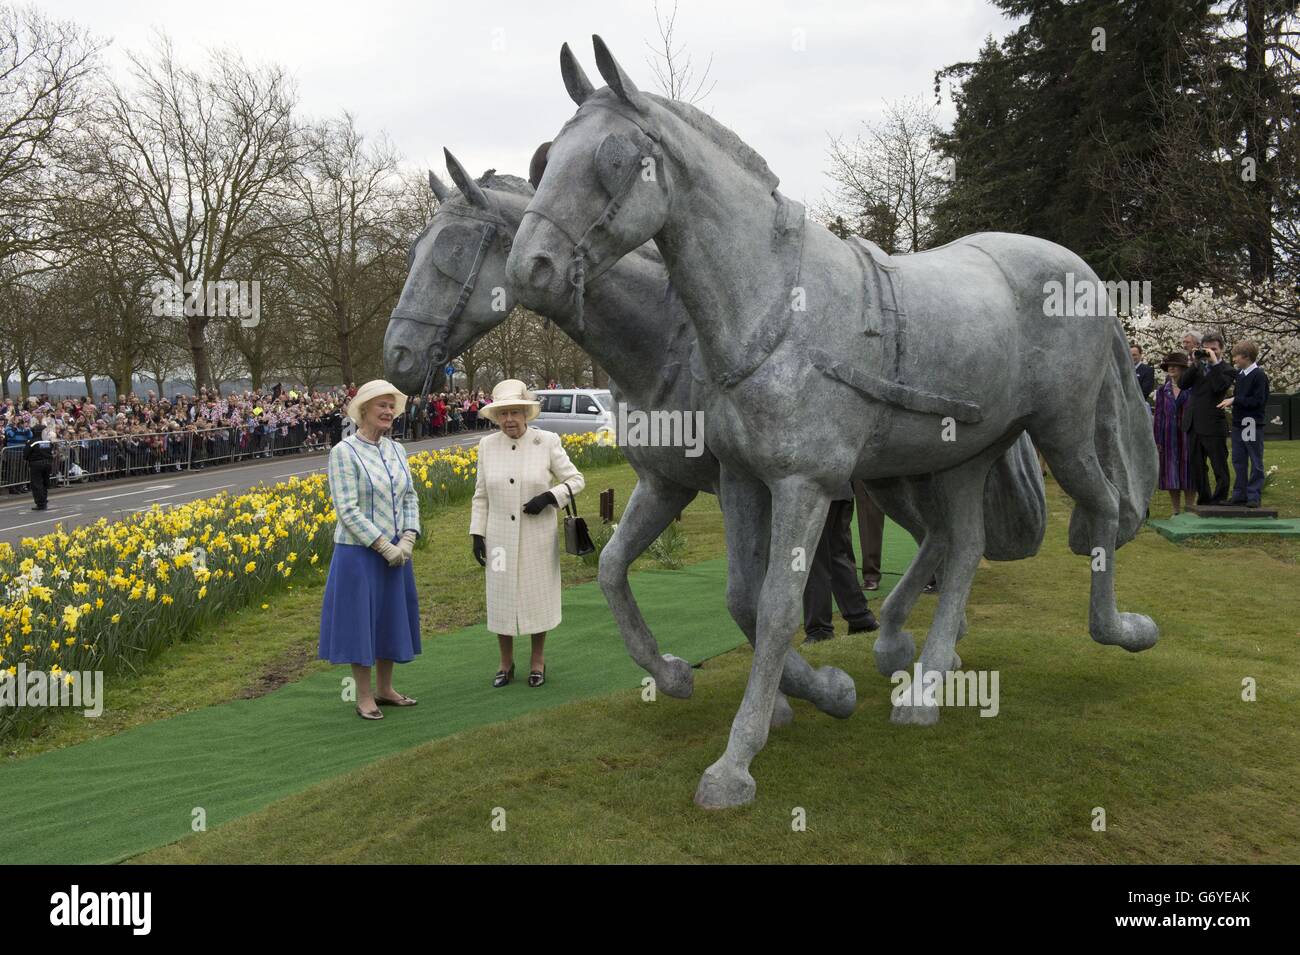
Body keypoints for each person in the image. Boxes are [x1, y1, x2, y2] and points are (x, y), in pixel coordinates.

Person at [470, 379, 585, 688]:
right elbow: (480, 495)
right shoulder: (486, 446)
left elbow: (576, 480)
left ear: (526, 414)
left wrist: (549, 497)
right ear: (496, 417)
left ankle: (538, 660)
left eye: (515, 413)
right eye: (503, 414)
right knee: (501, 597)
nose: (509, 420)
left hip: (537, 535)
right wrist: (477, 534)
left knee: (538, 596)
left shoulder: (546, 441)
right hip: (497, 538)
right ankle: (505, 663)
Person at [318, 379, 423, 720]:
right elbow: (346, 509)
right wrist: (382, 545)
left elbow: (409, 496)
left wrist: (408, 537)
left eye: (392, 406)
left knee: (390, 618)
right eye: (382, 406)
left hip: (397, 551)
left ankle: (386, 688)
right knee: (360, 621)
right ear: (363, 410)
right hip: (360, 553)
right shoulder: (343, 452)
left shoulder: (397, 450)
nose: (389, 411)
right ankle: (364, 696)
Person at [803, 482, 878, 642]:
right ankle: (860, 617)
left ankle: (819, 630)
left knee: (814, 560)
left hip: (814, 490)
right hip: (841, 490)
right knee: (838, 554)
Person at [1179, 330, 1235, 505]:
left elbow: (1219, 387)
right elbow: (1182, 384)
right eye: (1207, 349)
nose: (1210, 351)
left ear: (1222, 350)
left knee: (1219, 465)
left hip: (1213, 424)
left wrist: (1215, 363)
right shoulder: (1198, 366)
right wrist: (1195, 364)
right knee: (1197, 466)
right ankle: (1203, 499)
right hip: (1193, 424)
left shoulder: (1227, 369)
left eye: (1214, 349)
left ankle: (1219, 499)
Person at [1219, 340, 1270, 508]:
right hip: (1238, 423)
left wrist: (1234, 400)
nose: (1234, 360)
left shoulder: (1258, 375)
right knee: (1238, 459)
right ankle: (1239, 495)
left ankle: (1253, 495)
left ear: (1246, 357)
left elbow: (1258, 401)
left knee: (1255, 459)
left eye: (1236, 357)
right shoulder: (1241, 375)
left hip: (1251, 423)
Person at [1152, 351, 1193, 514]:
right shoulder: (1163, 391)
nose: (1172, 368)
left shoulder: (1192, 389)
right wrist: (1157, 440)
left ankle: (1190, 509)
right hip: (1168, 437)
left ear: (1183, 368)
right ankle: (1175, 511)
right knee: (1171, 473)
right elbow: (1159, 416)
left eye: (1175, 365)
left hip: (1188, 435)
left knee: (1189, 472)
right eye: (1169, 365)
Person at [23, 421, 56, 511]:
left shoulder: (32, 442)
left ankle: (40, 503)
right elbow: (52, 450)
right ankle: (44, 500)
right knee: (45, 483)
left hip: (36, 464)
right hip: (48, 463)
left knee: (37, 484)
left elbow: (25, 454)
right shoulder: (48, 441)